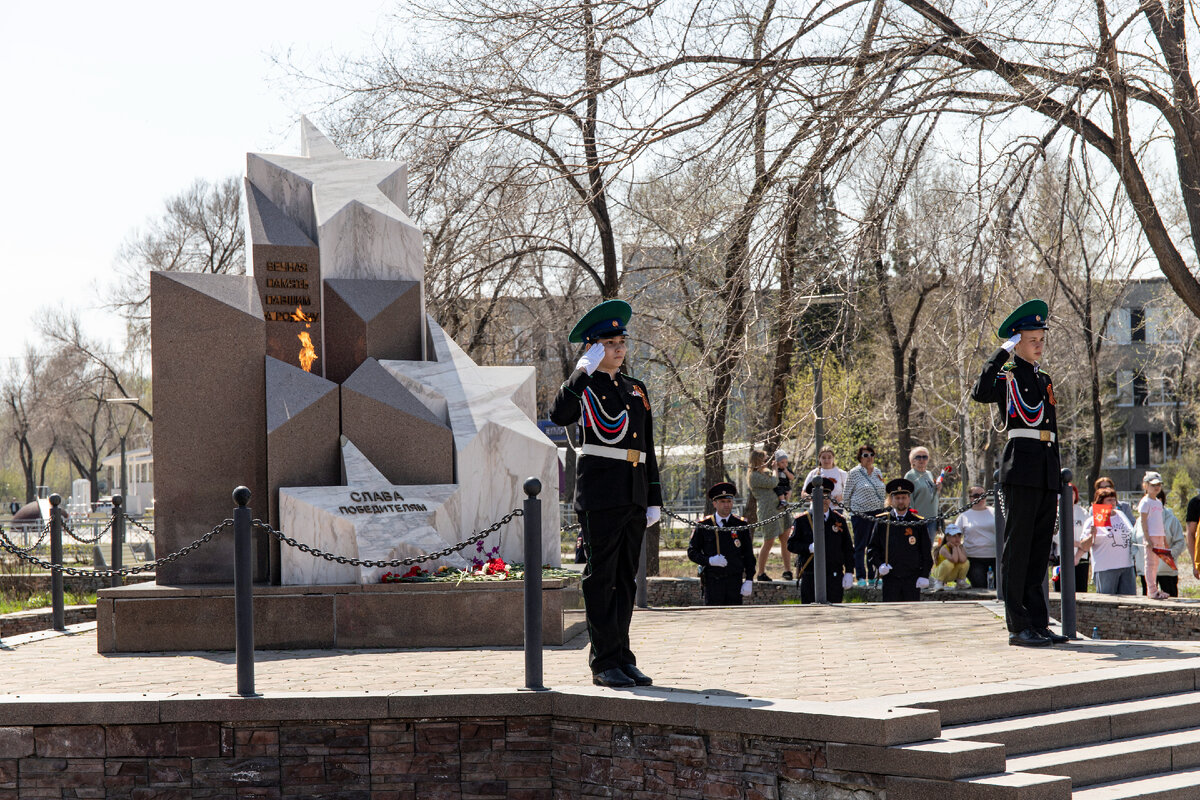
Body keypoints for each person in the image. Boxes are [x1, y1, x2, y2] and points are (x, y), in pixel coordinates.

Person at [549, 299, 661, 688]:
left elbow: (647, 447)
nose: (618, 349)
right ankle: (603, 662)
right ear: (592, 348)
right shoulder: (584, 385)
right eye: (609, 343)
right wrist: (580, 372)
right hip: (601, 493)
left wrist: (654, 499)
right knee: (602, 579)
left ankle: (623, 656)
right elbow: (560, 415)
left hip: (632, 492)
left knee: (626, 580)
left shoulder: (636, 389)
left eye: (621, 342)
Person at [970, 299, 1068, 648]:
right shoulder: (1006, 375)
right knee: (1019, 549)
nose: (1039, 344)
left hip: (1044, 470)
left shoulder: (1044, 378)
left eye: (1042, 338)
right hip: (1021, 468)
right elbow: (979, 391)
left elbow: (1051, 429)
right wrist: (1000, 353)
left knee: (1040, 550)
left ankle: (1038, 622)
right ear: (1017, 341)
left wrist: (1056, 477)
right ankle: (1018, 625)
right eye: (1032, 339)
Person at [787, 477, 855, 603]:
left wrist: (849, 571)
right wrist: (808, 547)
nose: (824, 500)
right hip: (810, 574)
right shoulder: (802, 521)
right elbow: (791, 545)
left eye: (826, 496)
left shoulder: (839, 520)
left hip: (834, 574)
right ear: (812, 498)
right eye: (820, 496)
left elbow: (847, 548)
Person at [687, 482, 755, 606]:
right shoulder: (704, 524)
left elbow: (748, 554)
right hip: (713, 581)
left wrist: (749, 579)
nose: (726, 505)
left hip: (734, 580)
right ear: (715, 503)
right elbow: (692, 552)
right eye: (722, 502)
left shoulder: (740, 524)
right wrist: (709, 560)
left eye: (729, 501)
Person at [866, 478, 932, 602]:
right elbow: (872, 548)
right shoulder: (882, 521)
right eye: (897, 498)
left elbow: (925, 551)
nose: (901, 501)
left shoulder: (918, 522)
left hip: (912, 577)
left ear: (909, 499)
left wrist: (924, 575)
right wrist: (879, 565)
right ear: (891, 500)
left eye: (904, 498)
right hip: (891, 577)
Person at [1134, 474, 1186, 598]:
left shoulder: (1157, 502)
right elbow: (1143, 522)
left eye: (1158, 485)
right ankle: (1151, 590)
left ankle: (1155, 590)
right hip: (1151, 536)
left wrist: (1164, 540)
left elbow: (1160, 523)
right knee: (1150, 563)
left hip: (1159, 537)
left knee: (1155, 564)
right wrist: (1147, 538)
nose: (1156, 487)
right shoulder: (1145, 502)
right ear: (1145, 485)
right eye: (1153, 485)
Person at [843, 444, 887, 585]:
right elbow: (846, 495)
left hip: (877, 513)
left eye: (871, 455)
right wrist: (852, 512)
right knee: (860, 546)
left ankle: (874, 575)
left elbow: (882, 491)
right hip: (860, 514)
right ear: (860, 458)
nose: (869, 458)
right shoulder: (854, 473)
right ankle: (861, 576)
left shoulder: (877, 472)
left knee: (874, 546)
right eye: (865, 455)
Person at [1080, 487, 1136, 595]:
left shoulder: (1121, 515)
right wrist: (1092, 534)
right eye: (1109, 500)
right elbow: (1084, 546)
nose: (1113, 502)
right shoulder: (1092, 521)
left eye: (1114, 499)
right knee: (1107, 601)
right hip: (1106, 568)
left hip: (1127, 567)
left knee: (1130, 601)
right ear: (1101, 502)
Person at [748, 450, 789, 582]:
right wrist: (775, 470)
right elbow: (773, 482)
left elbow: (780, 481)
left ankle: (787, 570)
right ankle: (760, 573)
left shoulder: (765, 472)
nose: (767, 462)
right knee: (769, 540)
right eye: (764, 460)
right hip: (768, 510)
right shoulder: (753, 476)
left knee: (785, 538)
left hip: (780, 509)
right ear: (757, 461)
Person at [955, 486, 996, 589]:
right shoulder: (963, 516)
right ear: (970, 498)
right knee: (980, 586)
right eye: (976, 495)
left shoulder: (996, 512)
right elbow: (954, 537)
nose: (980, 498)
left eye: (983, 495)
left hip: (996, 557)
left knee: (998, 588)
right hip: (974, 558)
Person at [930, 524, 969, 589]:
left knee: (966, 562)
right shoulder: (943, 548)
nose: (957, 538)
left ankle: (960, 582)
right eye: (954, 536)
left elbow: (963, 560)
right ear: (947, 537)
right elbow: (954, 560)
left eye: (959, 536)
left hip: (952, 574)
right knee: (948, 563)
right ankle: (938, 582)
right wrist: (954, 548)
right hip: (941, 573)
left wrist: (957, 548)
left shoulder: (960, 547)